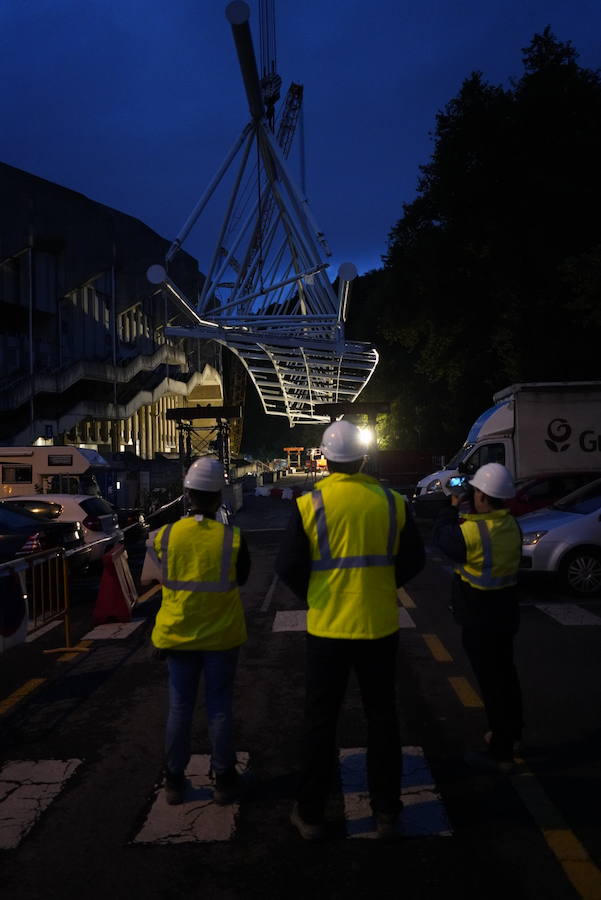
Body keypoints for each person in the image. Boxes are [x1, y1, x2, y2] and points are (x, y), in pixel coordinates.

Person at [275, 420, 426, 840]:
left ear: (325, 458)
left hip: (328, 628)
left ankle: (310, 814)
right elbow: (415, 560)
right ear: (363, 457)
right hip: (378, 625)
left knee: (321, 721)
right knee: (382, 719)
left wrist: (318, 594)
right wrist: (381, 586)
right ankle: (386, 811)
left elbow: (287, 565)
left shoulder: (310, 505)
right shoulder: (393, 502)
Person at [150, 457, 251, 805]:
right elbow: (244, 576)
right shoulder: (232, 538)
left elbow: (153, 578)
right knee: (219, 707)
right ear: (219, 496)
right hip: (221, 636)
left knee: (179, 707)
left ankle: (174, 782)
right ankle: (224, 779)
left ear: (187, 493)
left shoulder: (164, 536)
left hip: (178, 635)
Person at [433, 462, 523, 774]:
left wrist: (452, 506)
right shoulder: (512, 525)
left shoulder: (470, 533)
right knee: (507, 677)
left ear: (482, 496)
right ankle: (513, 734)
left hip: (479, 617)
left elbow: (442, 538)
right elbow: (481, 528)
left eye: (475, 491)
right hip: (505, 614)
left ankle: (501, 753)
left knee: (492, 684)